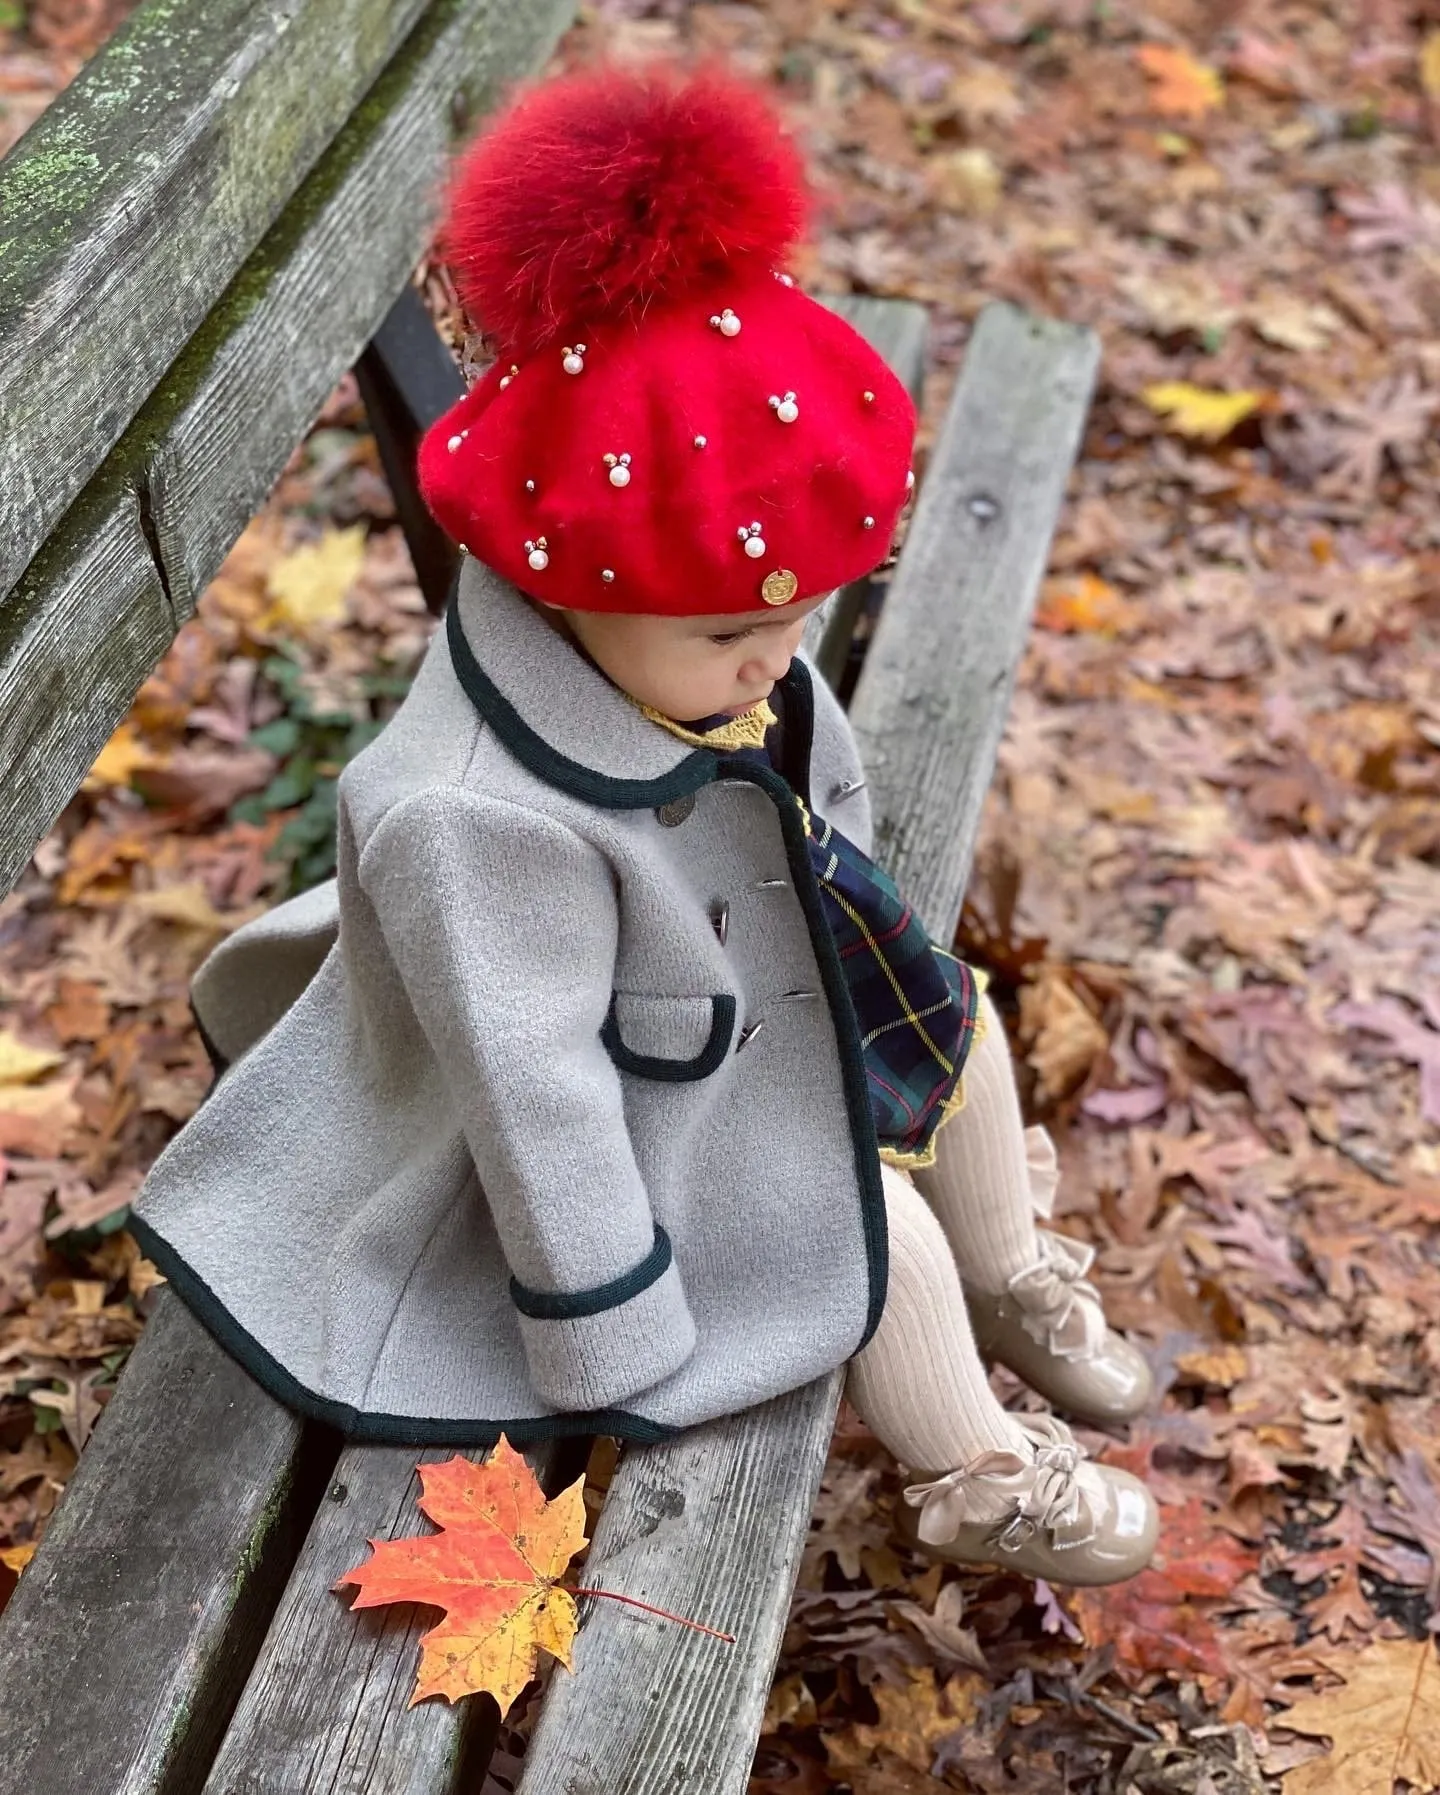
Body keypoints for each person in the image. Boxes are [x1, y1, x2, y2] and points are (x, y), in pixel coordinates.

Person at [131, 56, 1157, 1586]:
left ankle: (1019, 1278)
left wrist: (878, 987)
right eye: (728, 633)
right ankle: (981, 1464)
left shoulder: (720, 649)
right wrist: (620, 1340)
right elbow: (535, 1101)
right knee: (882, 1238)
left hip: (730, 1017)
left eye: (806, 611)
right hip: (585, 1147)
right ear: (568, 582)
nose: (774, 653)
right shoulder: (473, 825)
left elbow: (823, 815)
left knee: (968, 1030)